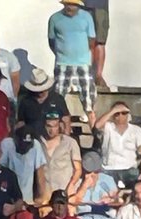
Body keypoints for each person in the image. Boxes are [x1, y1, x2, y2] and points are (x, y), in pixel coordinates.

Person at [47, 0, 97, 128]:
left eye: (73, 5)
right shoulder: (54, 18)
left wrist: (82, 54)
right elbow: (51, 41)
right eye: (68, 4)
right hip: (63, 64)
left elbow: (92, 40)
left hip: (83, 64)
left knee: (89, 100)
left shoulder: (87, 17)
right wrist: (62, 54)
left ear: (78, 5)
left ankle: (95, 134)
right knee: (57, 99)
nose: (70, 7)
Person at [95, 102, 141, 185]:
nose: (121, 116)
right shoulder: (108, 126)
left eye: (124, 113)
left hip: (129, 169)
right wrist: (113, 110)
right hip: (109, 168)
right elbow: (97, 125)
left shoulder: (136, 130)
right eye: (117, 113)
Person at [37, 110, 82, 202]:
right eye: (48, 126)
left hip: (64, 193)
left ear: (60, 126)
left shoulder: (70, 143)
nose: (51, 130)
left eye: (55, 126)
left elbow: (78, 169)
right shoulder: (37, 143)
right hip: (45, 194)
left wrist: (71, 186)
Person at [15, 68, 70, 140]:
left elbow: (66, 120)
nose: (40, 92)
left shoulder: (58, 99)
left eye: (42, 90)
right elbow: (21, 123)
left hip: (54, 140)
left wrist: (66, 138)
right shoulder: (25, 101)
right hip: (33, 140)